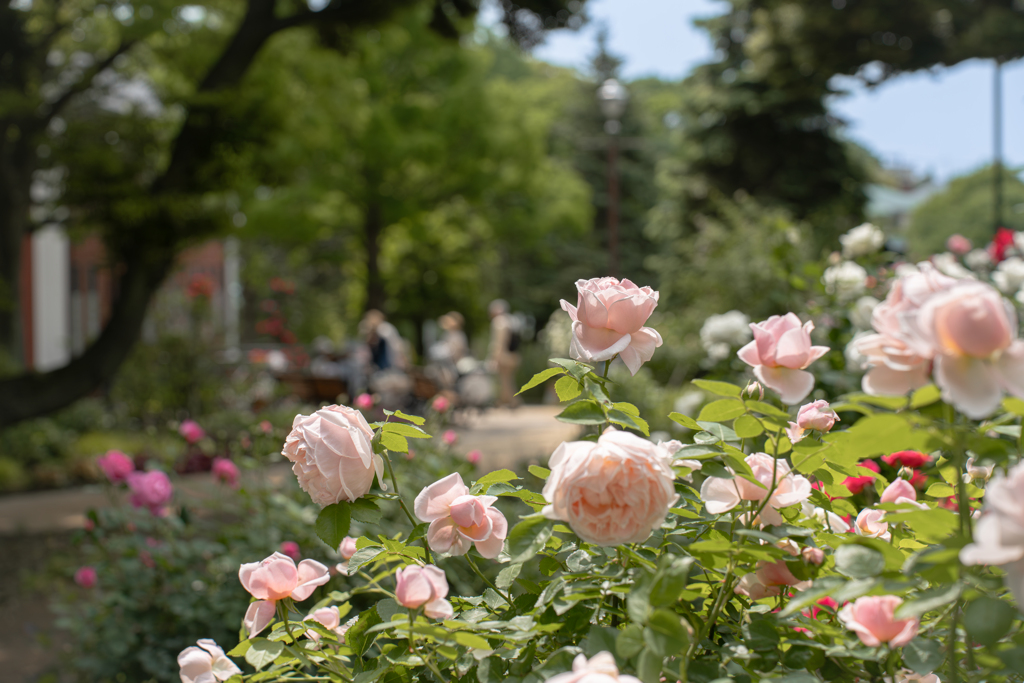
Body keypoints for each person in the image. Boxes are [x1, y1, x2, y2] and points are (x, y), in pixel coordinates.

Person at [487, 299, 520, 408]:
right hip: (513, 355)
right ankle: (505, 401)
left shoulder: (499, 322)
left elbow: (499, 342)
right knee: (508, 379)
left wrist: (495, 356)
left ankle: (512, 402)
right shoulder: (511, 320)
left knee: (504, 380)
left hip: (504, 355)